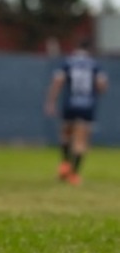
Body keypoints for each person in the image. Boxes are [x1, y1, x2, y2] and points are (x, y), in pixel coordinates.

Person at [45, 39, 109, 185]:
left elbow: (57, 82)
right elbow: (101, 86)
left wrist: (51, 102)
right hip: (87, 105)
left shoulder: (67, 62)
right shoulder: (95, 65)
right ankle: (74, 174)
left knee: (65, 133)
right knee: (81, 140)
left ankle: (65, 164)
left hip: (70, 104)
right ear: (90, 50)